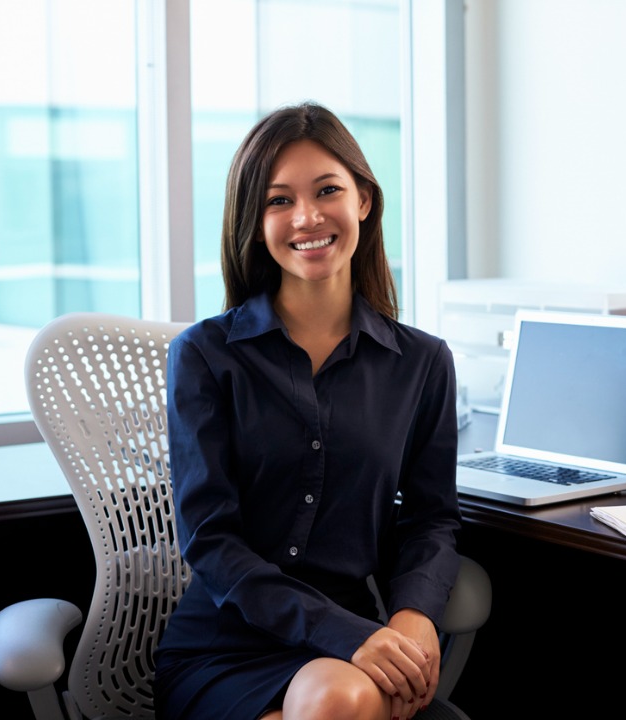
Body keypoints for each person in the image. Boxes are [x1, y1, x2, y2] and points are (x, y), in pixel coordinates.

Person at [153, 101, 463, 720]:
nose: (307, 217)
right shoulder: (206, 357)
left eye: (328, 190)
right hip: (227, 646)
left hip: (358, 647)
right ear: (255, 220)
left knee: (342, 697)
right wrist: (355, 638)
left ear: (364, 202)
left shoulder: (422, 363)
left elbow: (431, 520)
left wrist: (415, 618)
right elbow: (212, 542)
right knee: (341, 698)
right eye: (278, 200)